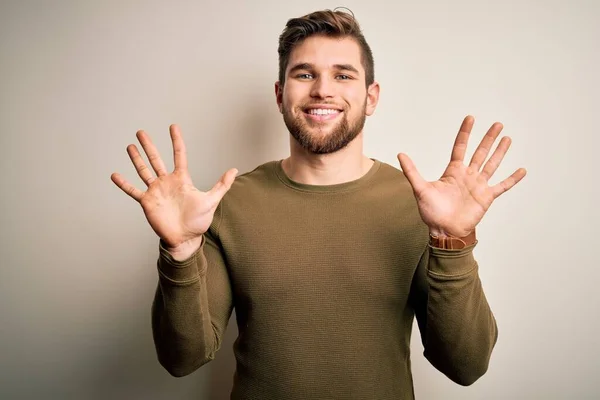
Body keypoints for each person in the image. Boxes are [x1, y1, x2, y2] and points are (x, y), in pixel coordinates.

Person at [110, 8, 526, 400]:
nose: (323, 89)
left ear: (372, 96)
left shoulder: (421, 207)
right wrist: (180, 252)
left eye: (343, 75)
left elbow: (467, 366)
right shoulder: (227, 205)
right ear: (279, 93)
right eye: (304, 73)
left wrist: (452, 241)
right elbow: (182, 359)